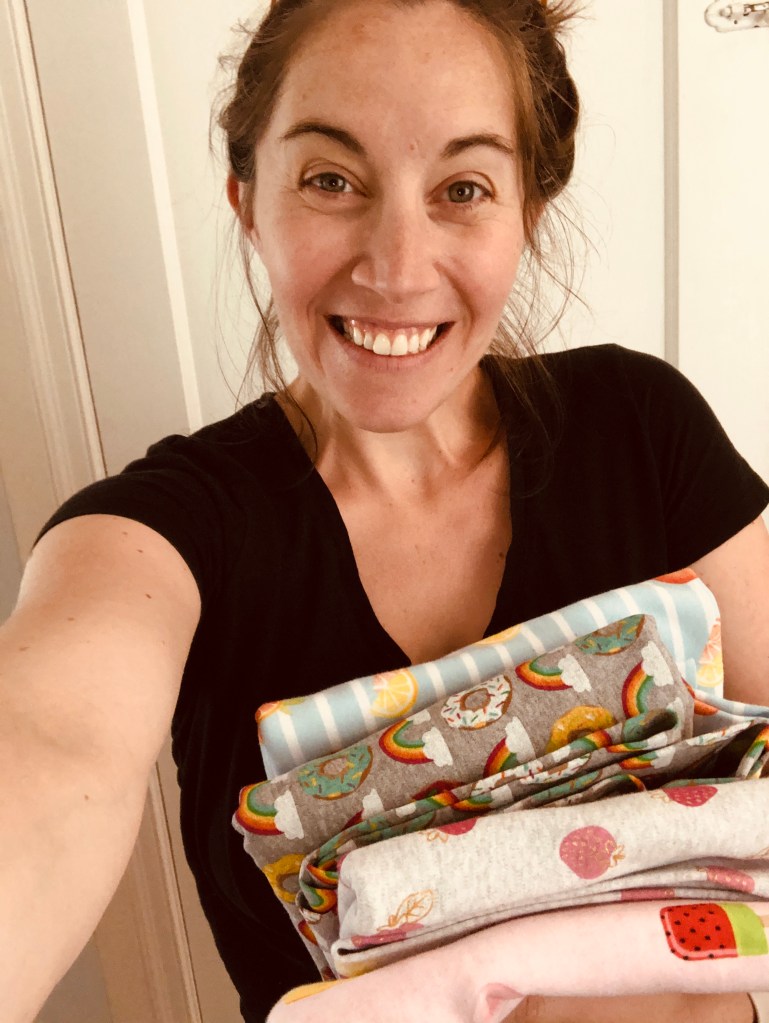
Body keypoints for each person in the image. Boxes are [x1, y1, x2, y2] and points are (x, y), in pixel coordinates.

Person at [1, 0, 768, 1020]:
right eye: (331, 180)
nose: (396, 269)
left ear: (527, 213)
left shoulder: (639, 429)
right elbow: (50, 755)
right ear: (246, 198)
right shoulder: (163, 533)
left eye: (462, 189)